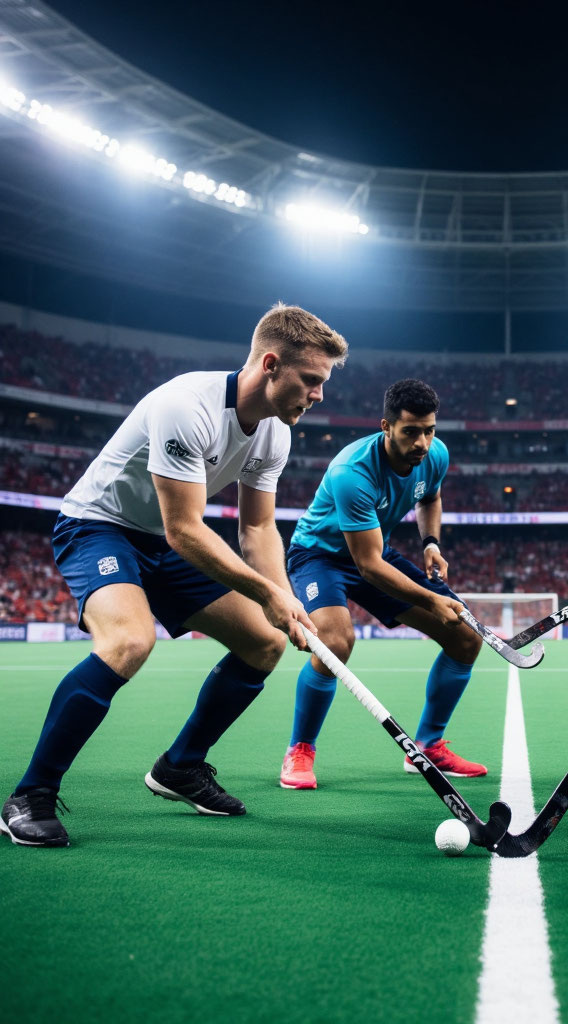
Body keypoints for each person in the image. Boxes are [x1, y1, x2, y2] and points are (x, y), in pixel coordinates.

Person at [0, 304, 348, 848]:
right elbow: (184, 529)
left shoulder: (275, 433)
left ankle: (181, 766)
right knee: (129, 641)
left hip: (162, 539)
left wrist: (285, 601)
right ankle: (30, 794)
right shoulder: (186, 406)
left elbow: (258, 528)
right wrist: (266, 594)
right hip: (99, 526)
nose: (319, 395)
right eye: (311, 380)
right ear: (271, 365)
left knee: (264, 642)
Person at [279, 378, 485, 790]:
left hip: (373, 550)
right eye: (411, 432)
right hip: (319, 556)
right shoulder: (352, 472)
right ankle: (299, 749)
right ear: (386, 426)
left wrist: (430, 542)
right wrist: (431, 600)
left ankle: (427, 747)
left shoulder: (435, 454)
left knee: (465, 637)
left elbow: (429, 497)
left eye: (429, 430)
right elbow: (369, 567)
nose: (422, 442)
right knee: (335, 642)